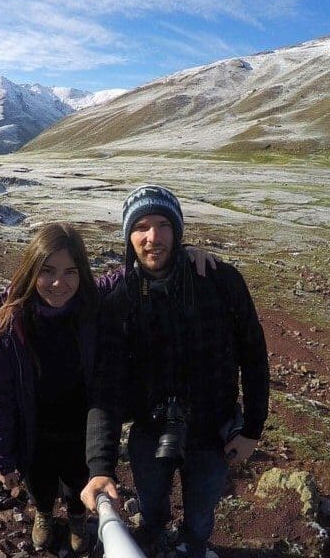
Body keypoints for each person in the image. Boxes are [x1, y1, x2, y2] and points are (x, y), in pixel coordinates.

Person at [0, 221, 214, 553]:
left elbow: (129, 273)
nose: (60, 283)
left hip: (82, 427)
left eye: (71, 271)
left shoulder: (90, 304)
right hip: (32, 432)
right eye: (48, 271)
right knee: (39, 482)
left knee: (78, 482)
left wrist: (179, 255)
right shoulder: (5, 328)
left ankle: (76, 518)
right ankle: (44, 514)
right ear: (31, 270)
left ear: (82, 273)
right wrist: (1, 456)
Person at [80, 185, 270, 558]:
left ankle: (193, 544)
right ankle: (154, 531)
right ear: (128, 235)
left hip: (212, 431)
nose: (153, 238)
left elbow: (253, 354)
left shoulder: (220, 281)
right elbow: (106, 386)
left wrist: (252, 429)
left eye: (164, 225)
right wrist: (100, 465)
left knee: (202, 509)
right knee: (151, 502)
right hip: (150, 432)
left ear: (178, 232)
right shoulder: (118, 301)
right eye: (142, 227)